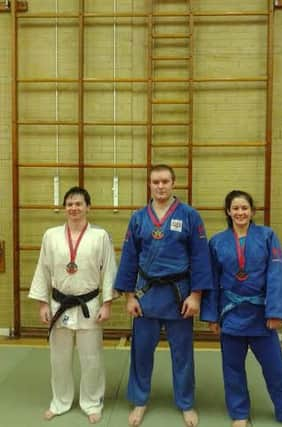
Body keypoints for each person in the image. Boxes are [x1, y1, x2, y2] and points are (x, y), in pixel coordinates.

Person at [201, 190, 282, 427]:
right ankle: (240, 414)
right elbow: (211, 280)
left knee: (276, 369)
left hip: (261, 315)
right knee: (233, 370)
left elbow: (277, 275)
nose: (240, 212)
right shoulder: (217, 242)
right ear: (228, 212)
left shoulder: (267, 236)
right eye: (236, 208)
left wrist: (275, 312)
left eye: (245, 208)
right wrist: (212, 316)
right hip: (230, 315)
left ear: (252, 211)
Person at [114, 164, 213, 427]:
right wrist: (129, 297)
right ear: (149, 184)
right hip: (146, 295)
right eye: (155, 182)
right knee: (141, 351)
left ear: (173, 183)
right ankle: (140, 400)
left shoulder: (190, 215)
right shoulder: (138, 218)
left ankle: (186, 403)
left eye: (165, 181)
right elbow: (129, 259)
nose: (160, 186)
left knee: (182, 353)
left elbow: (200, 257)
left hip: (179, 296)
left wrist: (196, 296)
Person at [29, 186, 117, 424]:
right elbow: (42, 270)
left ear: (88, 207)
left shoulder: (100, 236)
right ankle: (60, 401)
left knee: (92, 358)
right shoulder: (51, 235)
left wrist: (107, 304)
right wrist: (42, 304)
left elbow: (109, 271)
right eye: (70, 204)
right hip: (59, 304)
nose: (74, 208)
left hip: (89, 303)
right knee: (59, 358)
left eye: (79, 204)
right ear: (64, 207)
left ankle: (92, 402)